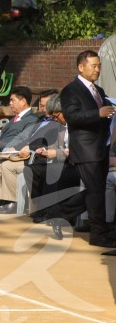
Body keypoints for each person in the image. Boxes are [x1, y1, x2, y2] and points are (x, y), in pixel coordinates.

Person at [47, 51, 116, 248]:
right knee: (96, 192)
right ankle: (98, 234)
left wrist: (109, 114)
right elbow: (72, 116)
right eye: (93, 65)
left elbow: (103, 117)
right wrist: (98, 113)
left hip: (101, 147)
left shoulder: (99, 91)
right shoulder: (71, 90)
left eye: (99, 65)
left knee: (96, 190)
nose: (97, 69)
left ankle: (59, 214)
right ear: (81, 67)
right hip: (85, 148)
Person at [0, 93, 64, 214]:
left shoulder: (58, 122)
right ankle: (1, 200)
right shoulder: (40, 119)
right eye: (41, 105)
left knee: (7, 166)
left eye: (46, 105)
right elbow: (27, 137)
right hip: (22, 152)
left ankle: (14, 203)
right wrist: (14, 147)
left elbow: (49, 142)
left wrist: (30, 148)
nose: (44, 108)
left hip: (36, 156)